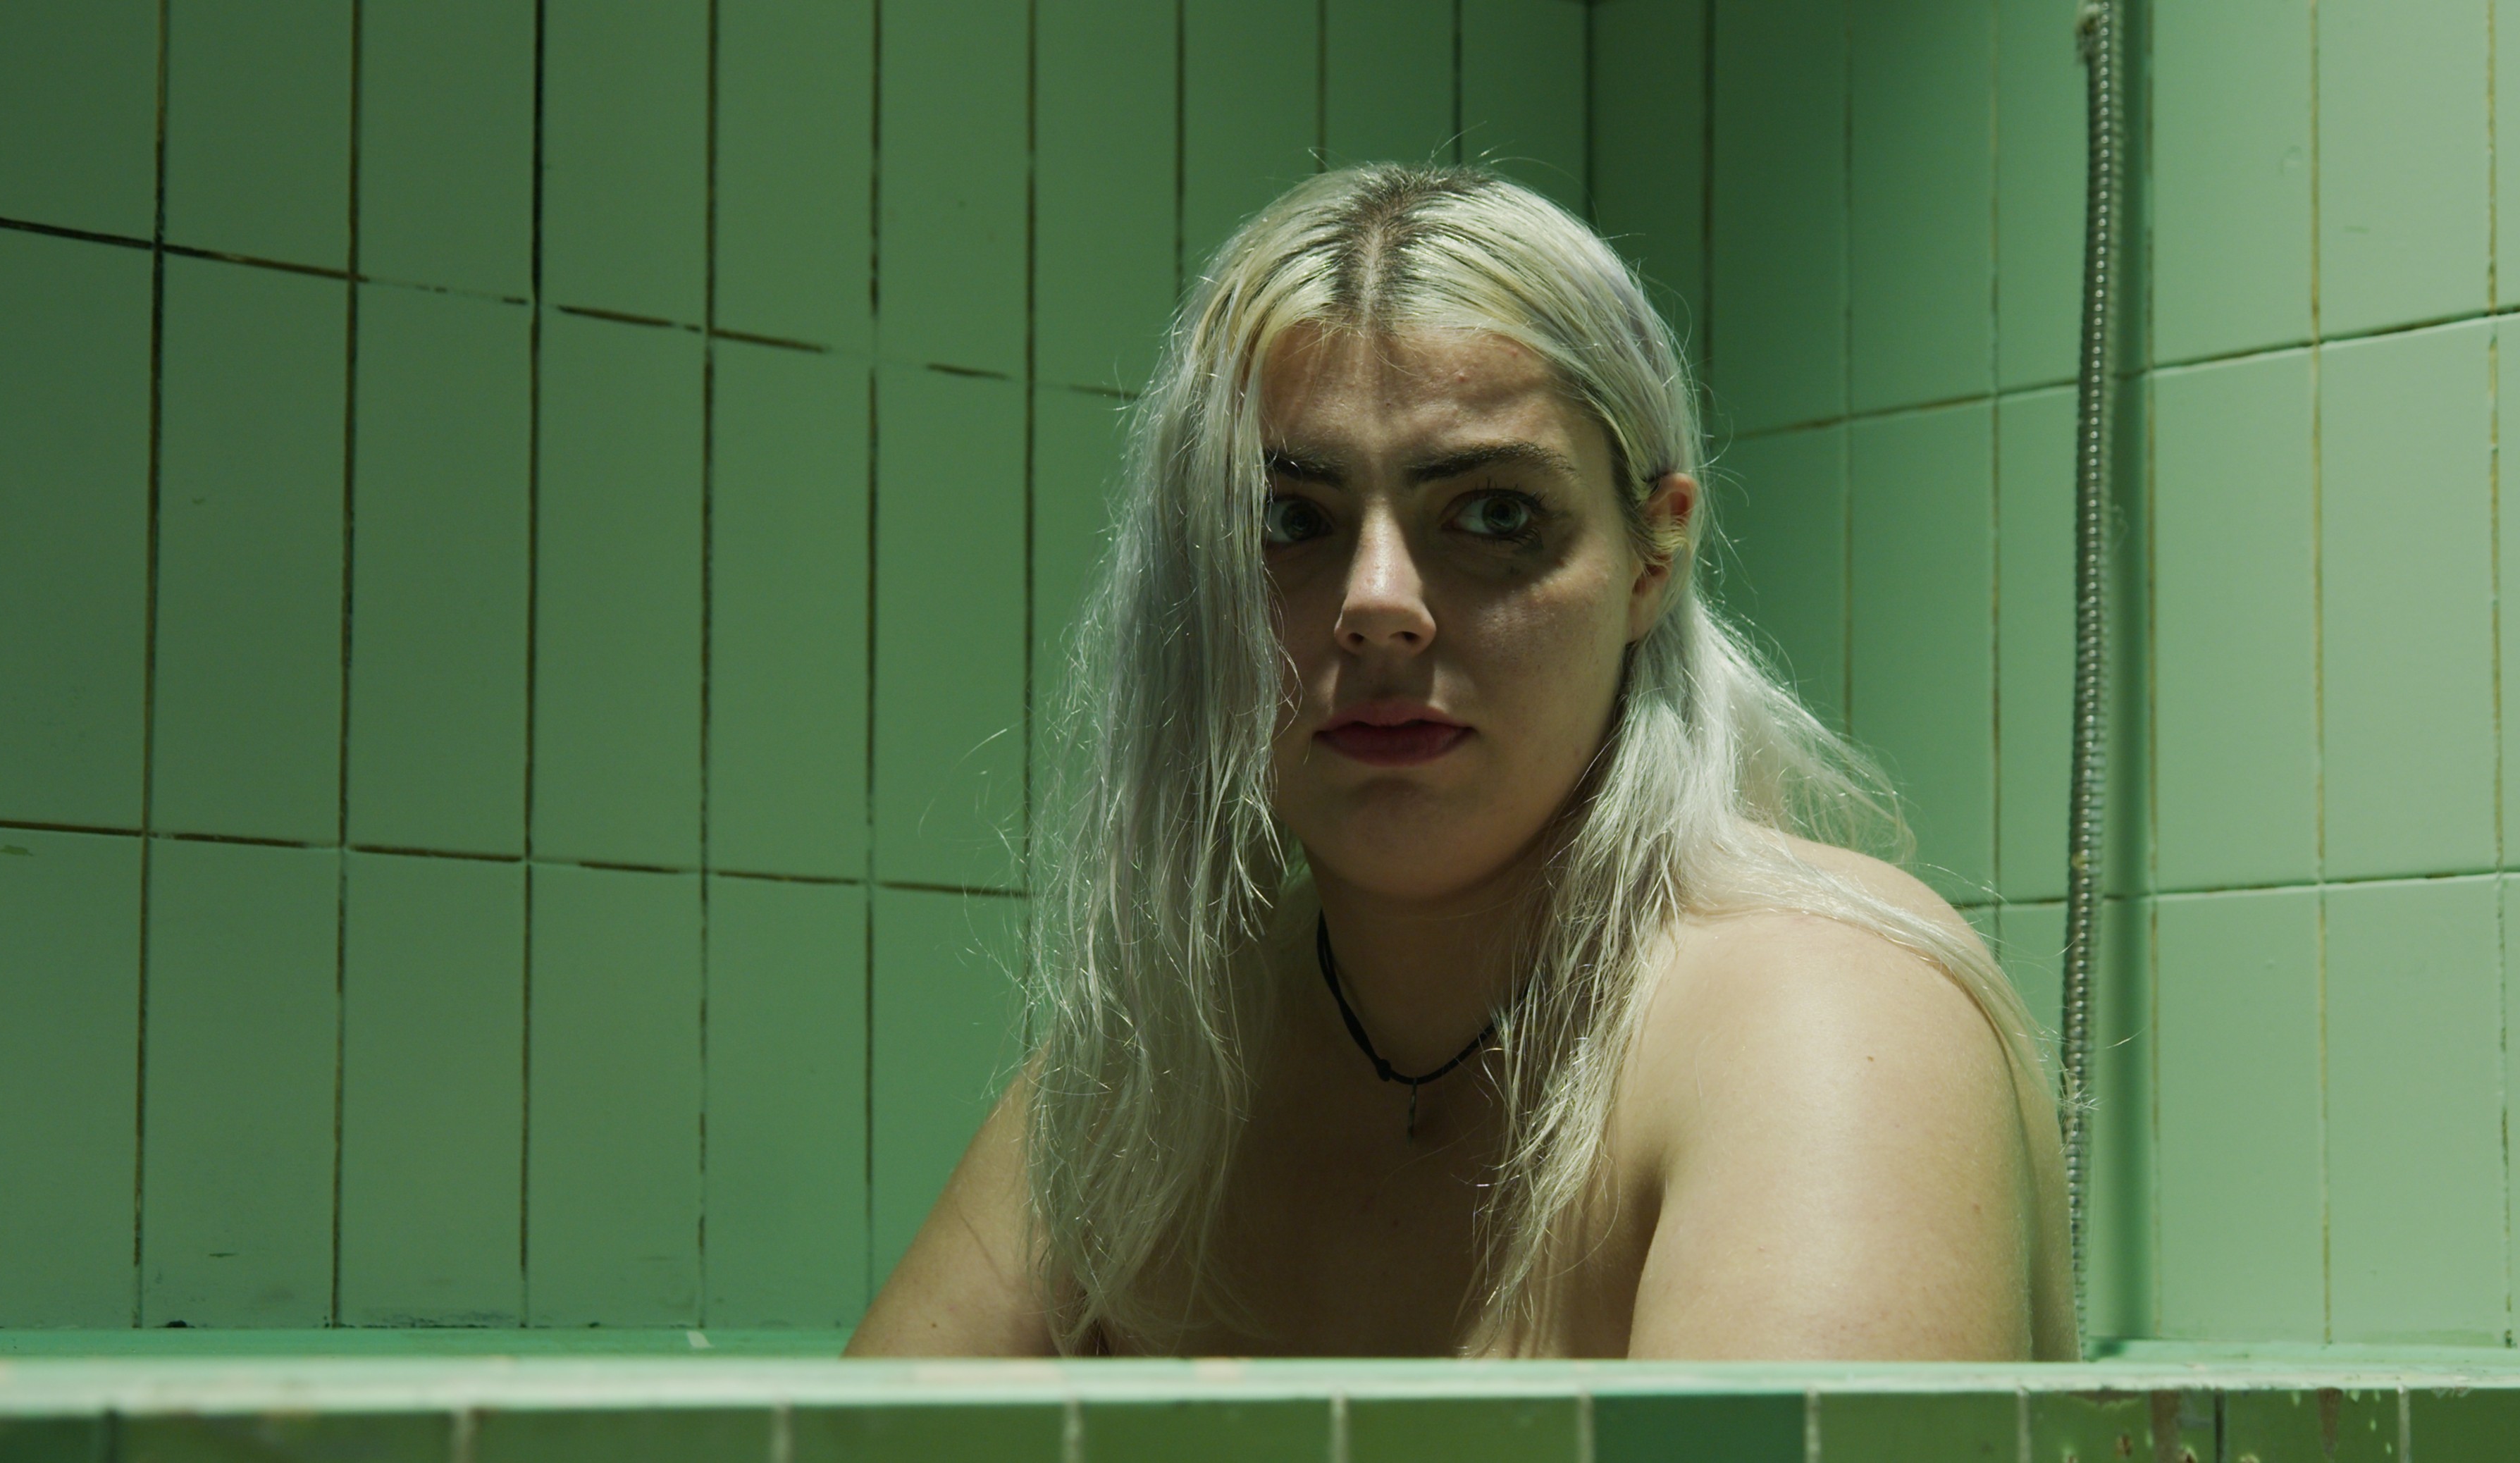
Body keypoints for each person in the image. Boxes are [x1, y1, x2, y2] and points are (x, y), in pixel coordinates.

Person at [846, 164, 2073, 1359]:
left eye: (1494, 514)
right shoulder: (1158, 1069)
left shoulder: (1820, 1020)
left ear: (1653, 559)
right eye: (1288, 521)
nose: (1378, 605)